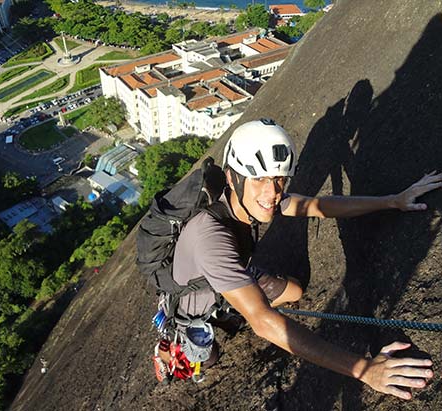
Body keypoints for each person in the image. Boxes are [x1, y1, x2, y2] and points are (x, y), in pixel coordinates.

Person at [171, 119, 442, 399]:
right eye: (259, 179)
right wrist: (365, 370)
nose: (272, 192)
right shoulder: (210, 236)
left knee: (294, 290)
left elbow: (316, 206)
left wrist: (392, 201)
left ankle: (238, 305)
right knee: (206, 357)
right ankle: (167, 351)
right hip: (197, 299)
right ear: (232, 178)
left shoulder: (249, 200)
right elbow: (264, 323)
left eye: (278, 179)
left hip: (234, 271)